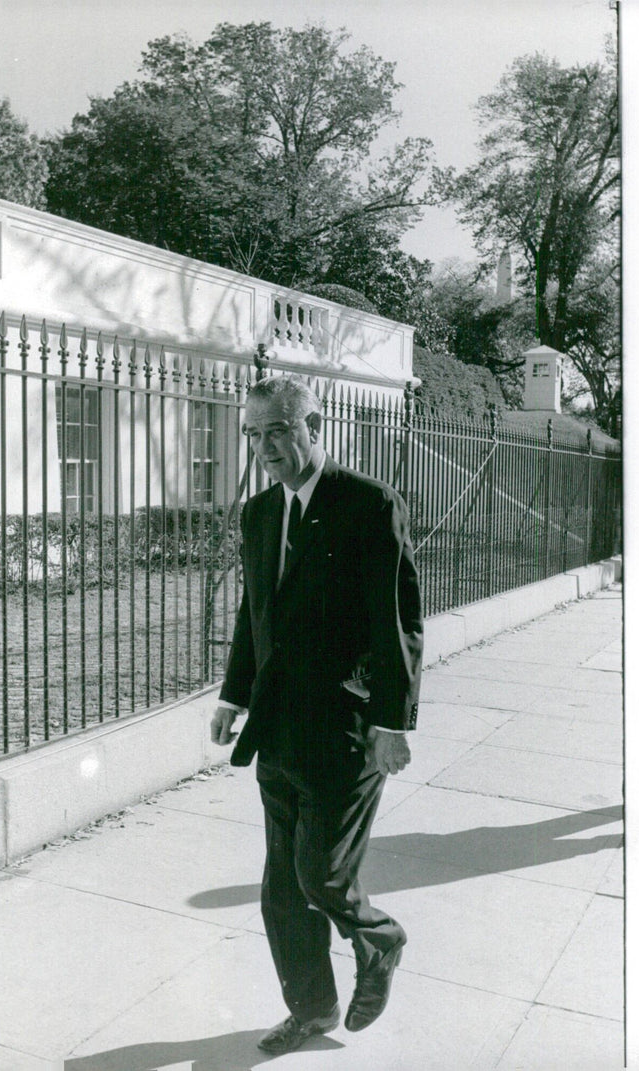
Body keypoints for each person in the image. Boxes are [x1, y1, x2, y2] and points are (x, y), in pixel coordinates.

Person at [210, 374, 423, 1056]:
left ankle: (380, 938)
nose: (265, 446)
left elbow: (398, 620)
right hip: (277, 726)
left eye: (277, 429)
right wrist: (233, 694)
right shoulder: (259, 513)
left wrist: (392, 722)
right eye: (253, 433)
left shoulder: (367, 503)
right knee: (281, 891)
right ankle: (313, 1006)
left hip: (346, 730)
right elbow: (256, 614)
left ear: (315, 425)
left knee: (321, 875)